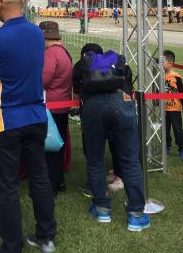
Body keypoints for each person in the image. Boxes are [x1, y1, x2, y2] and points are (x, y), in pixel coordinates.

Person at [0, 0, 56, 253]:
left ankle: (12, 246)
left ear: (0, 4)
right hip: (36, 116)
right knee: (40, 177)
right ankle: (46, 236)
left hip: (6, 120)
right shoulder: (37, 33)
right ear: (22, 4)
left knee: (8, 186)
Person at [73, 44, 150, 232]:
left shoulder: (81, 64)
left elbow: (76, 91)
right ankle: (136, 215)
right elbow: (129, 84)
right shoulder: (118, 61)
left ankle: (102, 209)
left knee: (95, 160)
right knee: (131, 162)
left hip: (93, 106)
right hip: (122, 103)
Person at [73, 43, 123, 197]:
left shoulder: (80, 66)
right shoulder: (113, 63)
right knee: (116, 145)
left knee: (93, 152)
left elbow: (76, 94)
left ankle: (96, 189)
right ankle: (119, 177)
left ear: (84, 55)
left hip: (92, 111)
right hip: (116, 109)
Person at [39, 21, 73, 196]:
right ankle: (58, 181)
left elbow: (42, 80)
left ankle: (50, 186)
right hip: (63, 104)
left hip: (51, 106)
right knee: (58, 147)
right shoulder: (64, 51)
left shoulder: (50, 54)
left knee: (49, 148)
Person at [163, 50, 183, 158]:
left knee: (178, 130)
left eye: (162, 61)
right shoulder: (160, 77)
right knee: (165, 129)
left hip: (175, 109)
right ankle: (167, 146)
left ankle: (182, 149)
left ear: (170, 63)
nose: (160, 64)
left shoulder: (176, 77)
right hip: (165, 109)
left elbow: (182, 93)